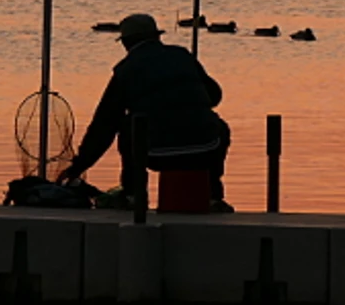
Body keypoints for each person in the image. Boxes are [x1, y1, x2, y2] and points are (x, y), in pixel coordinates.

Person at [57, 12, 232, 211]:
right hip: (206, 149)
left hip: (155, 154)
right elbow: (214, 96)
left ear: (126, 43)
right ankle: (213, 196)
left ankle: (134, 195)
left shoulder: (126, 70)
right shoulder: (182, 55)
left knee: (128, 126)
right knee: (219, 127)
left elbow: (104, 124)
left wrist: (78, 167)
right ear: (157, 36)